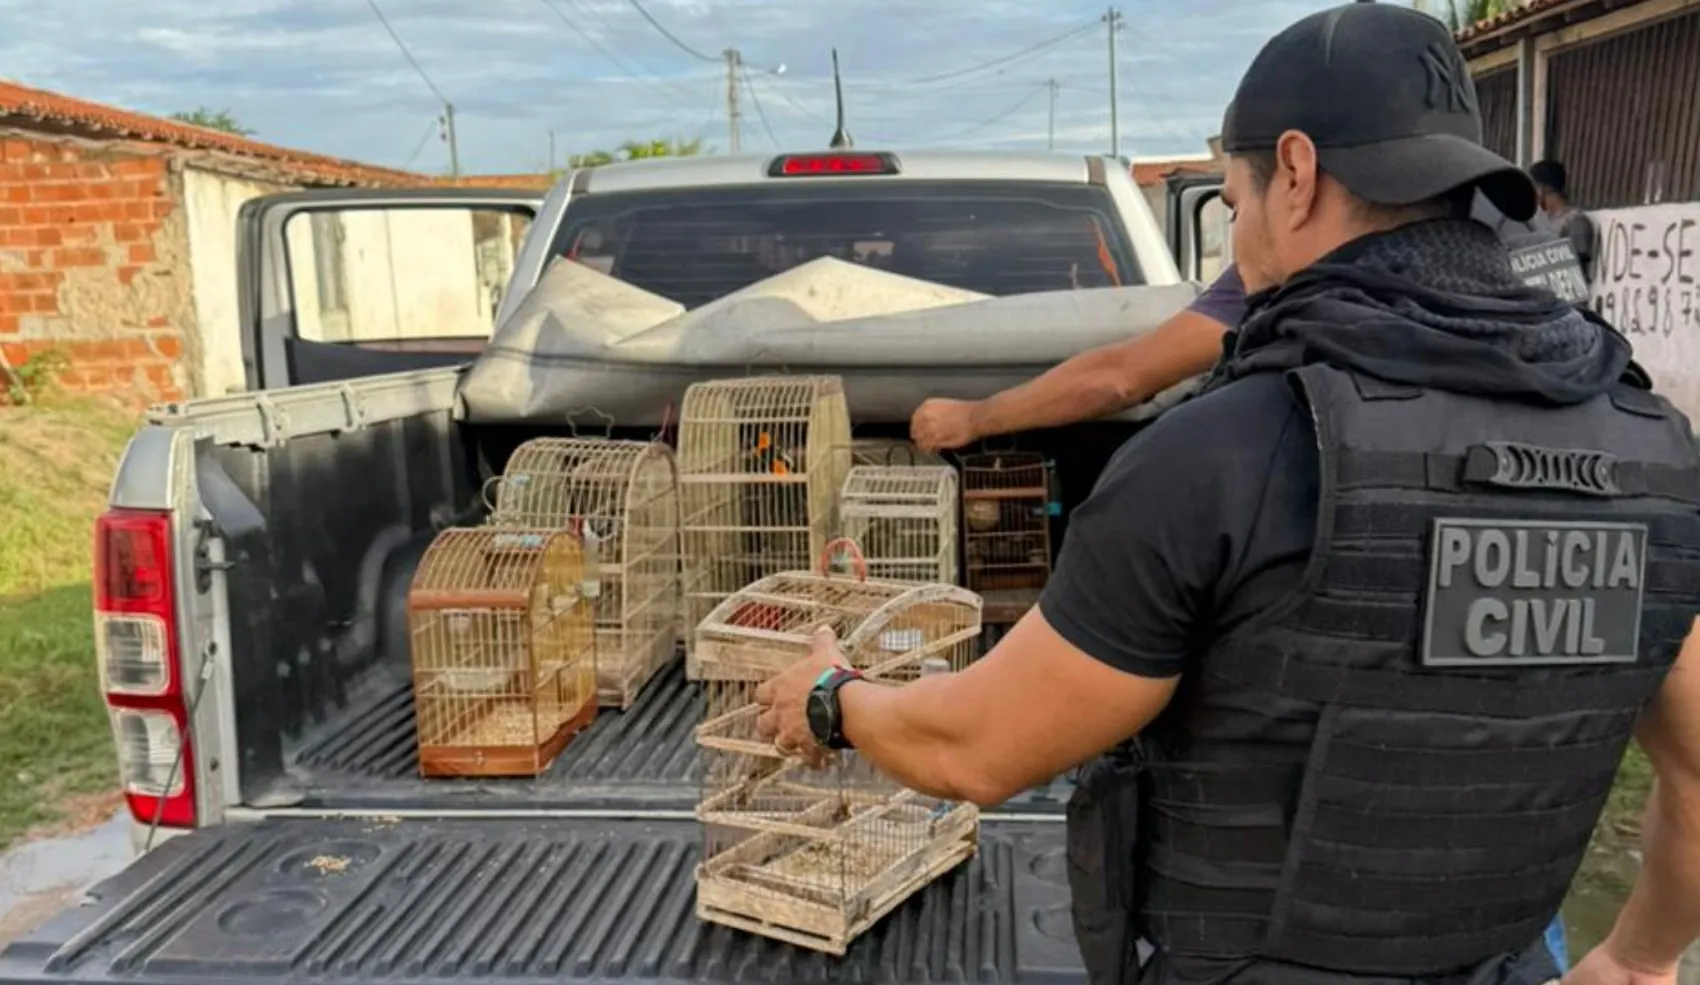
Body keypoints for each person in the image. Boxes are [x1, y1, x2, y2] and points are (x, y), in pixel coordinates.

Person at [757, 6, 1700, 985]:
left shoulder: (1224, 454)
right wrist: (1636, 959)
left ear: (1293, 175)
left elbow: (980, 748)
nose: (1235, 233)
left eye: (1235, 197)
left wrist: (834, 699)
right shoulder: (1651, 451)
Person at [1531, 159, 1598, 284]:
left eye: (1533, 187)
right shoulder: (1540, 220)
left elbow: (1579, 269)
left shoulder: (1575, 221)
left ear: (1542, 189)